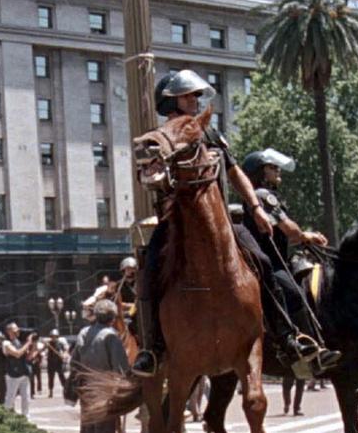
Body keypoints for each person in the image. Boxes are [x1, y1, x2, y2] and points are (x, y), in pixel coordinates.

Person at [132, 71, 324, 378]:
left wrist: (257, 207)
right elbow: (147, 177)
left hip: (219, 221)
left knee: (261, 261)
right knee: (150, 267)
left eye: (196, 96)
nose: (195, 101)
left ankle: (288, 338)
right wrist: (155, 175)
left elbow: (236, 174)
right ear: (170, 101)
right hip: (176, 223)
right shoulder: (161, 137)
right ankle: (152, 348)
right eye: (188, 96)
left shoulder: (211, 134)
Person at [239, 148, 341, 372]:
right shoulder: (263, 195)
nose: (277, 171)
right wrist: (305, 235)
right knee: (293, 292)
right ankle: (306, 350)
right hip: (268, 262)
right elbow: (290, 230)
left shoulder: (258, 196)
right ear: (259, 173)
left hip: (273, 258)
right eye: (272, 168)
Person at [71, 300, 129, 433]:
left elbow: (74, 364)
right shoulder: (110, 336)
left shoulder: (83, 333)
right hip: (104, 391)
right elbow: (121, 369)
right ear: (112, 318)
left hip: (86, 391)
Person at [1, 323, 34, 417]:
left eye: (18, 330)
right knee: (10, 398)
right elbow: (17, 354)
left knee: (26, 398)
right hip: (13, 374)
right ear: (9, 332)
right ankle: (6, 417)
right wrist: (28, 342)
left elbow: (28, 357)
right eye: (15, 330)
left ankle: (26, 417)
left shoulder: (20, 342)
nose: (17, 332)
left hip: (24, 372)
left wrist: (33, 345)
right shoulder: (6, 343)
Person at [44, 329, 69, 398]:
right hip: (50, 363)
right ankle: (51, 391)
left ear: (57, 336)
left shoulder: (60, 343)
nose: (53, 338)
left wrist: (64, 355)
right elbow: (42, 349)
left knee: (62, 377)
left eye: (55, 336)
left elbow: (66, 350)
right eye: (52, 336)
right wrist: (45, 345)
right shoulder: (48, 343)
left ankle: (66, 390)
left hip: (59, 363)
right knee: (51, 378)